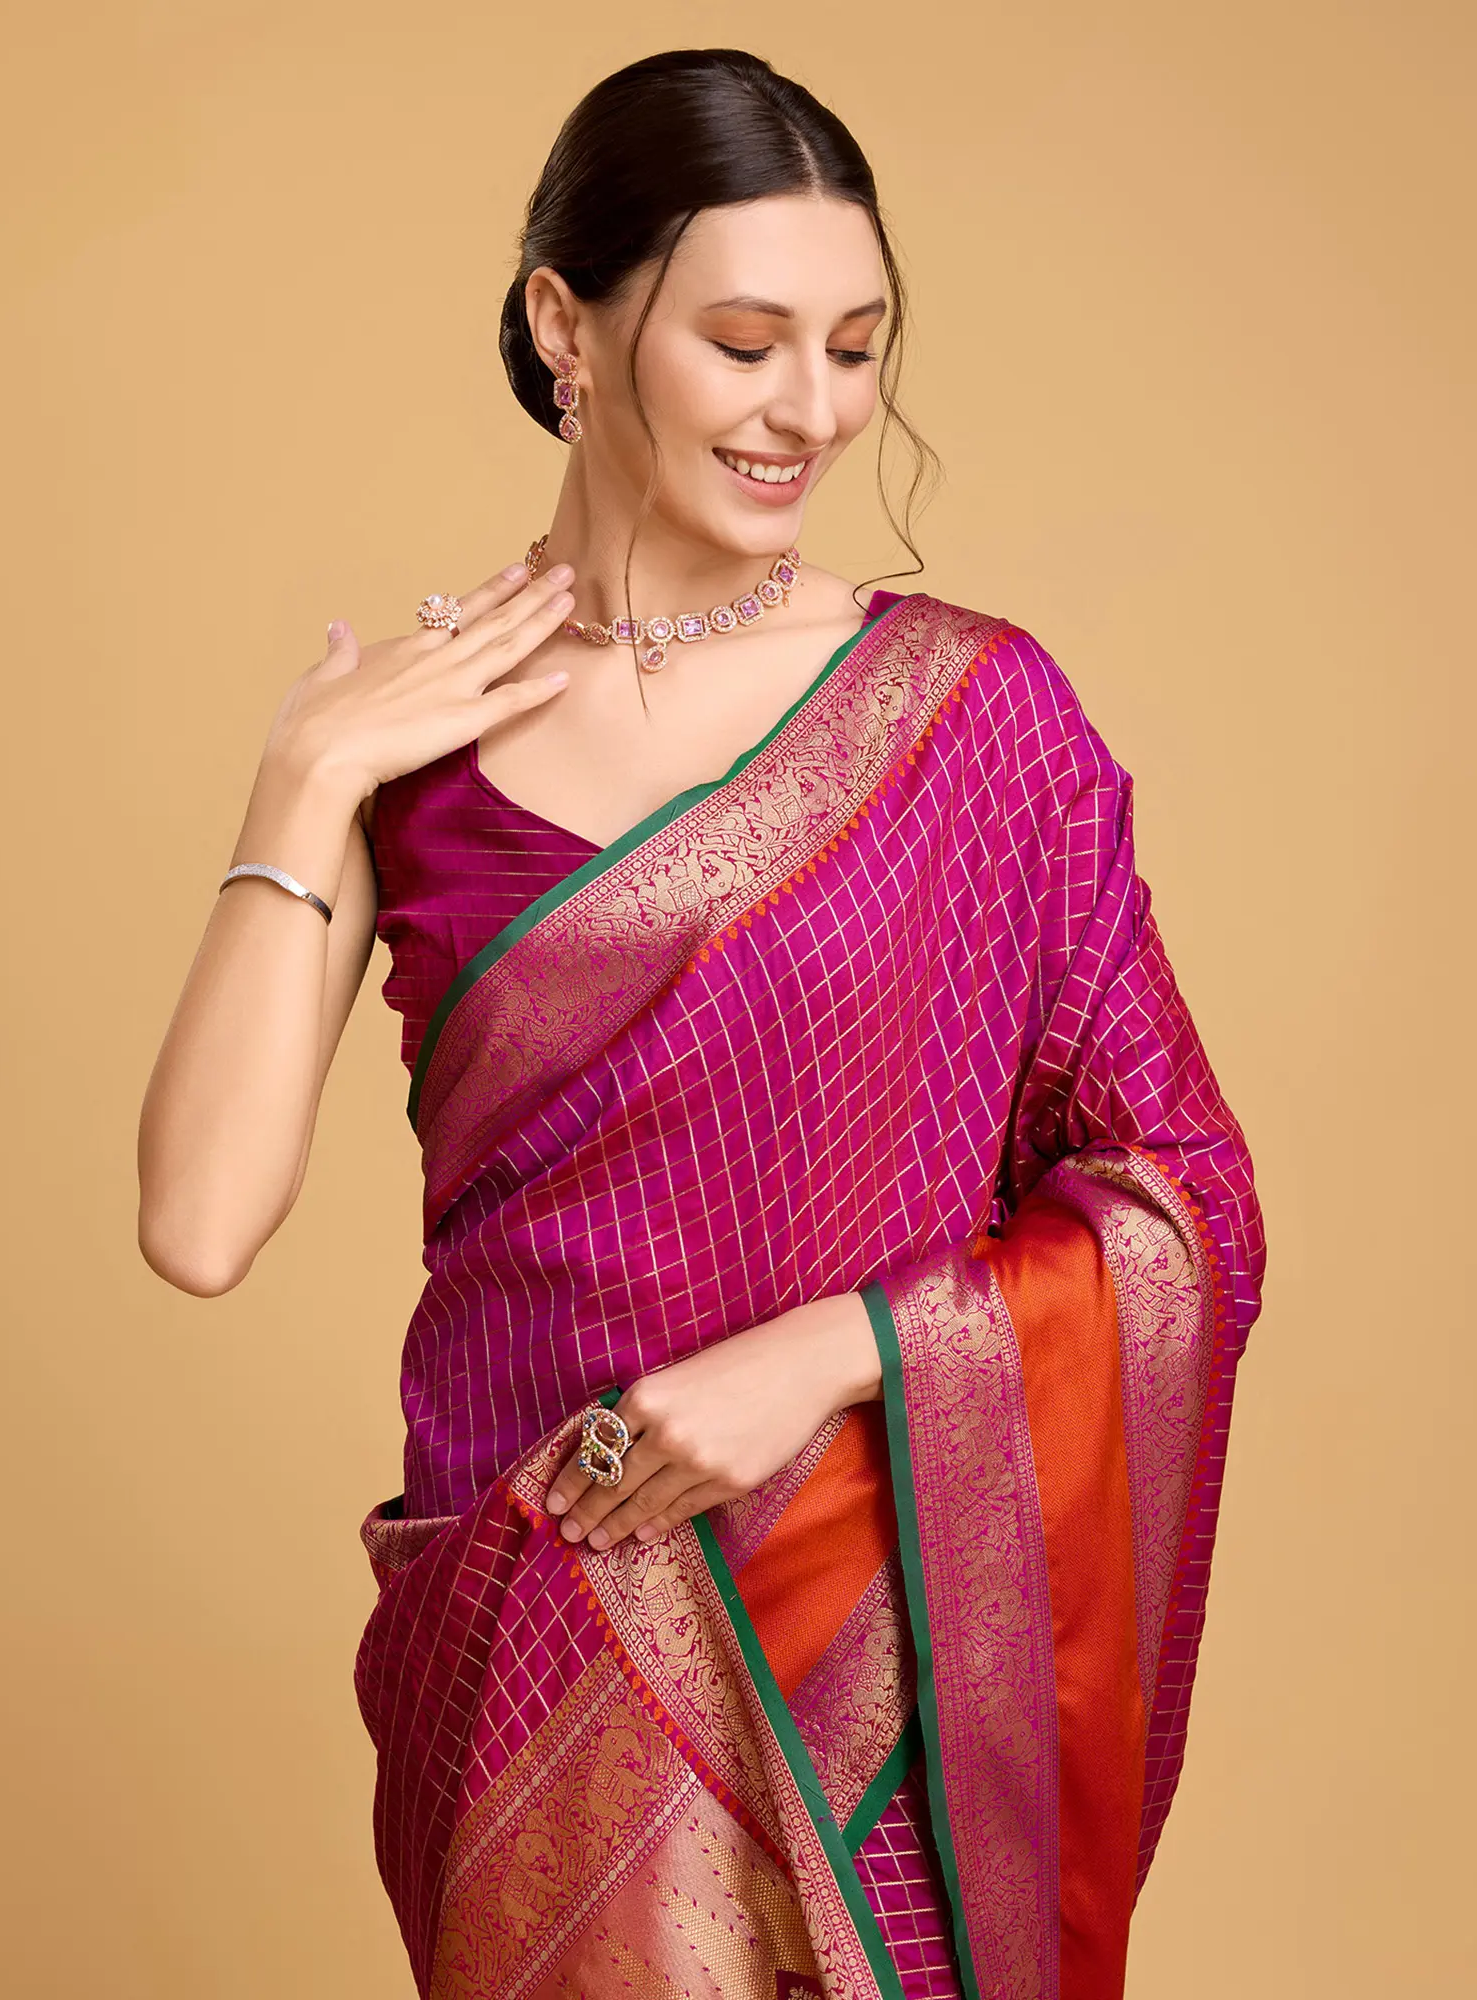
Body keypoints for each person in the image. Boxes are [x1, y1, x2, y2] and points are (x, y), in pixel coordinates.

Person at [137, 47, 1265, 2000]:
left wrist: (824, 1359)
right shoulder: (416, 760)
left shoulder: (976, 724)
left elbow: (1185, 1203)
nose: (811, 409)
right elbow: (198, 1222)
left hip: (879, 1663)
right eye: (746, 344)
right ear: (563, 325)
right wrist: (303, 776)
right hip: (541, 1657)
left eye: (856, 346)